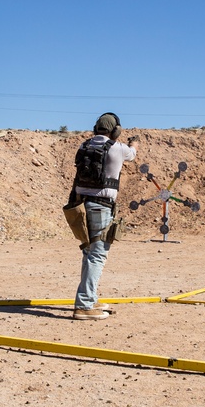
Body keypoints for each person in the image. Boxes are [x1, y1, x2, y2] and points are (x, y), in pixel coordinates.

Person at [68, 113, 138, 320]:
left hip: (80, 205)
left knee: (89, 252)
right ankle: (84, 305)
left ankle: (90, 297)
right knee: (97, 255)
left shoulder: (84, 146)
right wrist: (134, 144)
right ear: (115, 131)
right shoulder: (118, 148)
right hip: (101, 207)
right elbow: (132, 155)